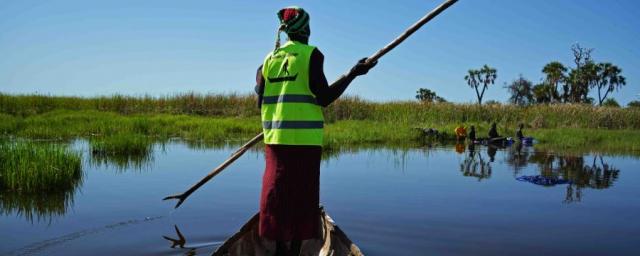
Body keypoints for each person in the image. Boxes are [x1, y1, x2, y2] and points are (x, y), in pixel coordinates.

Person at [254, 6, 377, 255]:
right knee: (301, 198)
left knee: (276, 194)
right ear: (306, 30)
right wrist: (355, 73)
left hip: (275, 142)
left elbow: (260, 101)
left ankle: (279, 250)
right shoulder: (311, 55)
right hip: (305, 143)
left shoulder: (267, 61)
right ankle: (296, 251)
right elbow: (324, 97)